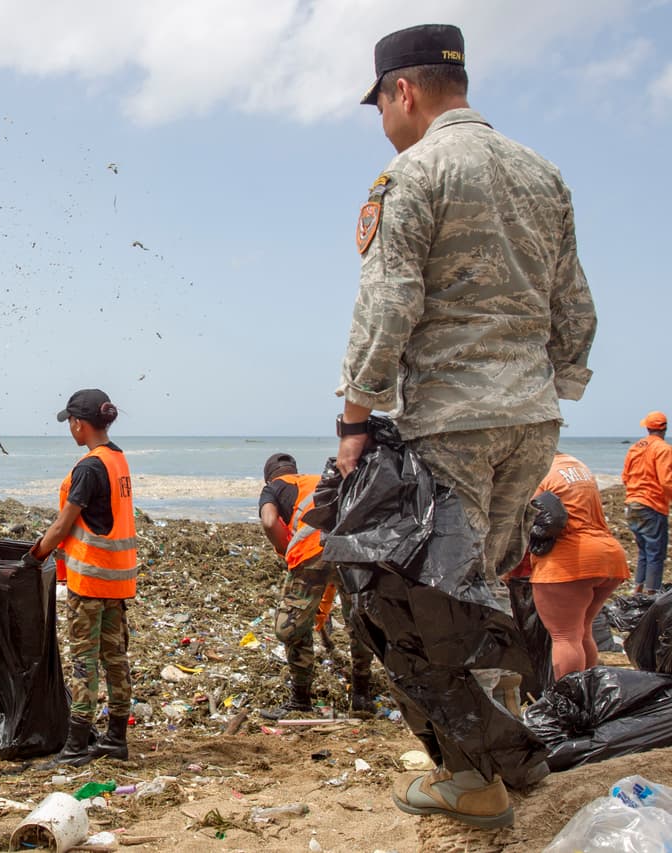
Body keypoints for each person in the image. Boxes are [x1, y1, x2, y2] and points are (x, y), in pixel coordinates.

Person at [335, 24, 596, 827]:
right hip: (531, 420)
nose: (382, 119)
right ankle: (494, 748)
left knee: (432, 604)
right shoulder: (541, 172)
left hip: (448, 422)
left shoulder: (412, 173)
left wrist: (355, 411)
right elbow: (574, 307)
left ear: (401, 92)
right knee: (488, 586)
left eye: (381, 103)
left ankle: (476, 776)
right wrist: (557, 380)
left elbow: (389, 303)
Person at [27, 389, 136, 766]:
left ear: (79, 423)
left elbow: (62, 526)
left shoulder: (89, 467)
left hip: (89, 580)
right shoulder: (117, 459)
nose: (69, 428)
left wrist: (34, 555)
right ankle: (116, 738)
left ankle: (75, 745)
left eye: (70, 422)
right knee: (115, 657)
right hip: (117, 580)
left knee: (83, 661)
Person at [257, 453, 375, 720]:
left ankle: (300, 700)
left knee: (292, 627)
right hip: (351, 552)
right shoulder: (319, 480)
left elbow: (268, 520)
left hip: (311, 556)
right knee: (358, 622)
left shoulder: (273, 488)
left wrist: (285, 549)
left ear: (269, 476)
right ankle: (361, 696)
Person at [526, 452, 630, 681]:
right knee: (581, 632)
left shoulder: (537, 469)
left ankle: (569, 703)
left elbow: (532, 520)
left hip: (570, 560)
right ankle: (588, 696)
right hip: (608, 554)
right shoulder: (574, 464)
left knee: (564, 636)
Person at [621, 411, 672, 594]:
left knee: (644, 552)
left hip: (632, 504)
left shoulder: (635, 447)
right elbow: (667, 481)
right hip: (651, 505)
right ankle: (650, 596)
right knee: (656, 554)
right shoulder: (663, 449)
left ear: (648, 427)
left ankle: (638, 591)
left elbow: (625, 477)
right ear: (664, 428)